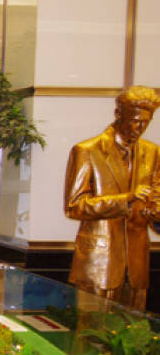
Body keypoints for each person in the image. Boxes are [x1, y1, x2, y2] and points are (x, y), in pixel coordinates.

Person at [64, 85, 160, 311]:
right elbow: (74, 206)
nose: (140, 128)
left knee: (133, 328)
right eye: (134, 121)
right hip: (99, 260)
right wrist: (125, 200)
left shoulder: (153, 153)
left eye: (146, 122)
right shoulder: (87, 151)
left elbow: (156, 195)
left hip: (136, 264)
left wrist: (155, 212)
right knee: (92, 328)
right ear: (118, 114)